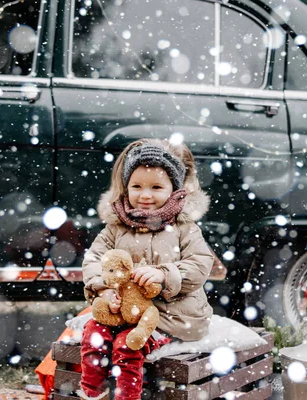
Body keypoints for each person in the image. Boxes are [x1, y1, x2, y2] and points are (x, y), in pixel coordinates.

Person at [79, 139, 214, 400]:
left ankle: (126, 396)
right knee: (94, 333)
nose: (145, 195)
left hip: (168, 315)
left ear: (174, 189)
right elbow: (94, 259)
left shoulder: (184, 227)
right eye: (137, 186)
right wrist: (103, 288)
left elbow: (200, 263)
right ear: (126, 187)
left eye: (156, 187)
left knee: (127, 345)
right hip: (123, 310)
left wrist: (165, 274)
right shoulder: (116, 227)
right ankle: (91, 391)